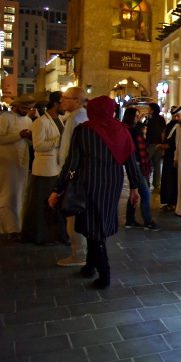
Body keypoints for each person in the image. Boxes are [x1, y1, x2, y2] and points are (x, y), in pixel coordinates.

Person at [48, 96, 142, 289]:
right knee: (96, 224)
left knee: (94, 227)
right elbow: (131, 162)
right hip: (112, 185)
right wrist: (135, 187)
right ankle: (90, 266)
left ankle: (104, 275)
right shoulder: (122, 131)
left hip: (89, 184)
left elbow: (72, 163)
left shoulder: (84, 131)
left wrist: (58, 188)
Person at [22, 91, 65, 245]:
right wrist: (58, 141)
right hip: (44, 168)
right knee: (41, 203)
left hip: (57, 167)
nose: (65, 105)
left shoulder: (60, 119)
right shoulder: (40, 122)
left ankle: (53, 234)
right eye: (62, 101)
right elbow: (38, 146)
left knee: (53, 203)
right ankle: (39, 235)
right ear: (55, 103)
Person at [0, 95, 34, 240]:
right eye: (24, 107)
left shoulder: (28, 120)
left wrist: (30, 138)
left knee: (20, 194)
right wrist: (19, 135)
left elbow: (28, 143)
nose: (26, 111)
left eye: (28, 108)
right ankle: (9, 228)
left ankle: (19, 226)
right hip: (6, 163)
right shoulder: (4, 118)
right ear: (15, 106)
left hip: (22, 162)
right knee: (7, 194)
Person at [56, 87, 89, 267]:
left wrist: (64, 178)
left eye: (65, 98)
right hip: (76, 174)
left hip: (73, 176)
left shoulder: (76, 119)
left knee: (73, 215)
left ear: (77, 100)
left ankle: (79, 254)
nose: (62, 101)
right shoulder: (76, 117)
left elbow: (70, 152)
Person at [122, 107, 158, 230]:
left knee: (135, 191)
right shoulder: (131, 131)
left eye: (138, 116)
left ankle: (130, 220)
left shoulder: (130, 129)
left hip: (136, 163)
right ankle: (148, 221)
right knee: (145, 192)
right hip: (137, 163)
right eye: (136, 116)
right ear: (130, 116)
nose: (138, 118)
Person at [159, 106, 181, 211]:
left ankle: (172, 201)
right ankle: (169, 201)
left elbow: (173, 143)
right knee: (169, 178)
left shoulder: (179, 127)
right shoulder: (172, 126)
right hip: (170, 156)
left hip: (174, 156)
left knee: (172, 178)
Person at [145, 103, 166, 191]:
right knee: (157, 165)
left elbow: (144, 129)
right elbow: (163, 131)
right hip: (159, 144)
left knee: (146, 164)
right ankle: (157, 184)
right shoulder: (161, 119)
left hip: (150, 144)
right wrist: (162, 143)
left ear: (152, 110)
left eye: (149, 108)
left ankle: (146, 183)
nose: (148, 110)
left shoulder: (149, 118)